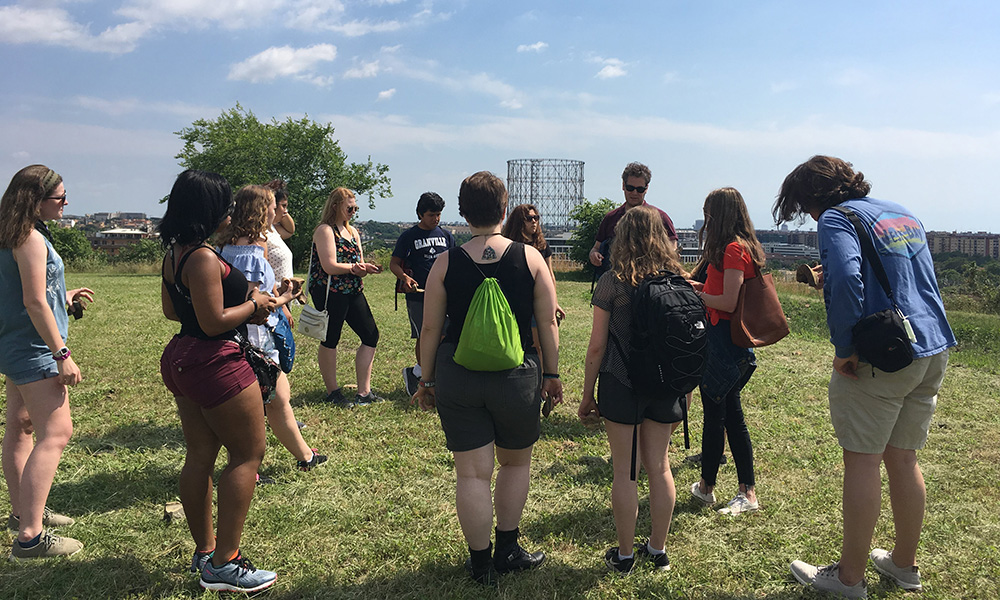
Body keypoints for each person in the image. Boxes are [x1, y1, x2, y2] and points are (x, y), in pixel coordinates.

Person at [776, 156, 955, 599]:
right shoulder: (901, 212)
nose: (810, 217)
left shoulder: (836, 218)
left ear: (816, 197)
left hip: (883, 355)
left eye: (805, 206)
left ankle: (849, 578)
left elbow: (847, 276)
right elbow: (913, 279)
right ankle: (903, 564)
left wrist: (845, 349)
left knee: (862, 460)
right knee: (904, 458)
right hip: (930, 346)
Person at [413, 171, 562, 585]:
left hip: (458, 375)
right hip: (517, 376)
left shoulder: (445, 261)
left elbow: (429, 328)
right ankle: (508, 549)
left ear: (462, 211)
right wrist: (551, 373)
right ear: (503, 208)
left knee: (472, 474)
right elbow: (547, 322)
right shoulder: (531, 258)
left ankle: (480, 564)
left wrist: (427, 381)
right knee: (515, 464)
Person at [159, 169, 278, 593]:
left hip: (182, 357)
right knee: (248, 455)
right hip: (216, 360)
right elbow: (214, 323)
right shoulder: (205, 256)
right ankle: (226, 561)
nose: (229, 211)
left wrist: (251, 304)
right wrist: (255, 304)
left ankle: (204, 552)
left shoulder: (175, 253)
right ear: (208, 209)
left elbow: (175, 313)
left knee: (199, 454)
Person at [578, 206, 685, 574]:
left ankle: (624, 555)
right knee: (660, 466)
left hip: (621, 380)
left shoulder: (612, 281)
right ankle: (658, 549)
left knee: (625, 471)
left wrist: (587, 393)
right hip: (665, 385)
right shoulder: (678, 279)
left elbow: (597, 346)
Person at [1, 165, 93, 559]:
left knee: (20, 427)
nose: (65, 203)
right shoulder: (31, 239)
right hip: (36, 349)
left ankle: (23, 511)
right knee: (56, 433)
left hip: (15, 344)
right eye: (59, 197)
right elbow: (34, 301)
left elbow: (33, 290)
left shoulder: (12, 234)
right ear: (35, 201)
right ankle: (30, 537)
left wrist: (63, 295)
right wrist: (62, 355)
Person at [218, 185, 326, 474]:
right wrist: (286, 298)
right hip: (254, 339)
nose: (275, 210)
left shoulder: (226, 245)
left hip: (237, 336)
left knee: (278, 398)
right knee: (271, 401)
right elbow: (253, 303)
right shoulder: (254, 249)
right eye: (271, 205)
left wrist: (278, 290)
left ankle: (305, 456)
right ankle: (248, 468)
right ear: (259, 210)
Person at [687, 188, 763, 517]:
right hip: (727, 341)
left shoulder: (733, 249)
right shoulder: (739, 247)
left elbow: (729, 303)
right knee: (728, 415)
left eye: (708, 214)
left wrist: (700, 297)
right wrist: (701, 289)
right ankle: (729, 488)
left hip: (724, 342)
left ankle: (718, 488)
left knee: (719, 416)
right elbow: (723, 294)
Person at [310, 187, 383, 406]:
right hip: (330, 290)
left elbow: (356, 262)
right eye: (349, 207)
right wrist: (354, 268)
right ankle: (333, 392)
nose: (353, 211)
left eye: (355, 207)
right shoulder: (325, 230)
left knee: (371, 335)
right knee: (331, 339)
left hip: (352, 289)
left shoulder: (353, 232)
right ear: (335, 206)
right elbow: (329, 266)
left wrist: (363, 269)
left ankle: (364, 392)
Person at [390, 192, 454, 396]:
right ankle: (419, 373)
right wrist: (405, 278)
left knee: (445, 333)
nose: (435, 219)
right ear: (420, 214)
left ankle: (428, 372)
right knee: (424, 333)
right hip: (418, 295)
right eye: (431, 215)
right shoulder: (409, 236)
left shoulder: (446, 235)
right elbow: (393, 264)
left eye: (438, 214)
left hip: (444, 294)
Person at [587, 162, 679, 270]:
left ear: (646, 188)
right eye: (630, 188)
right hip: (616, 278)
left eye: (640, 189)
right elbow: (596, 248)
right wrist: (594, 255)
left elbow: (672, 250)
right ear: (623, 186)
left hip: (650, 279)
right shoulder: (611, 217)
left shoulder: (661, 217)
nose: (634, 193)